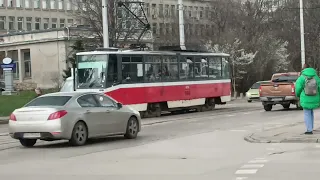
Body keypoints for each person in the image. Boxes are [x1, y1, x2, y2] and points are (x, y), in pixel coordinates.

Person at [295, 64, 320, 134]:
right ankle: (311, 127)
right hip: (315, 97)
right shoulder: (316, 77)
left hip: (305, 97)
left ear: (303, 69)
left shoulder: (301, 77)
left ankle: (309, 129)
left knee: (307, 113)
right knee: (311, 112)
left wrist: (298, 95)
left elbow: (298, 88)